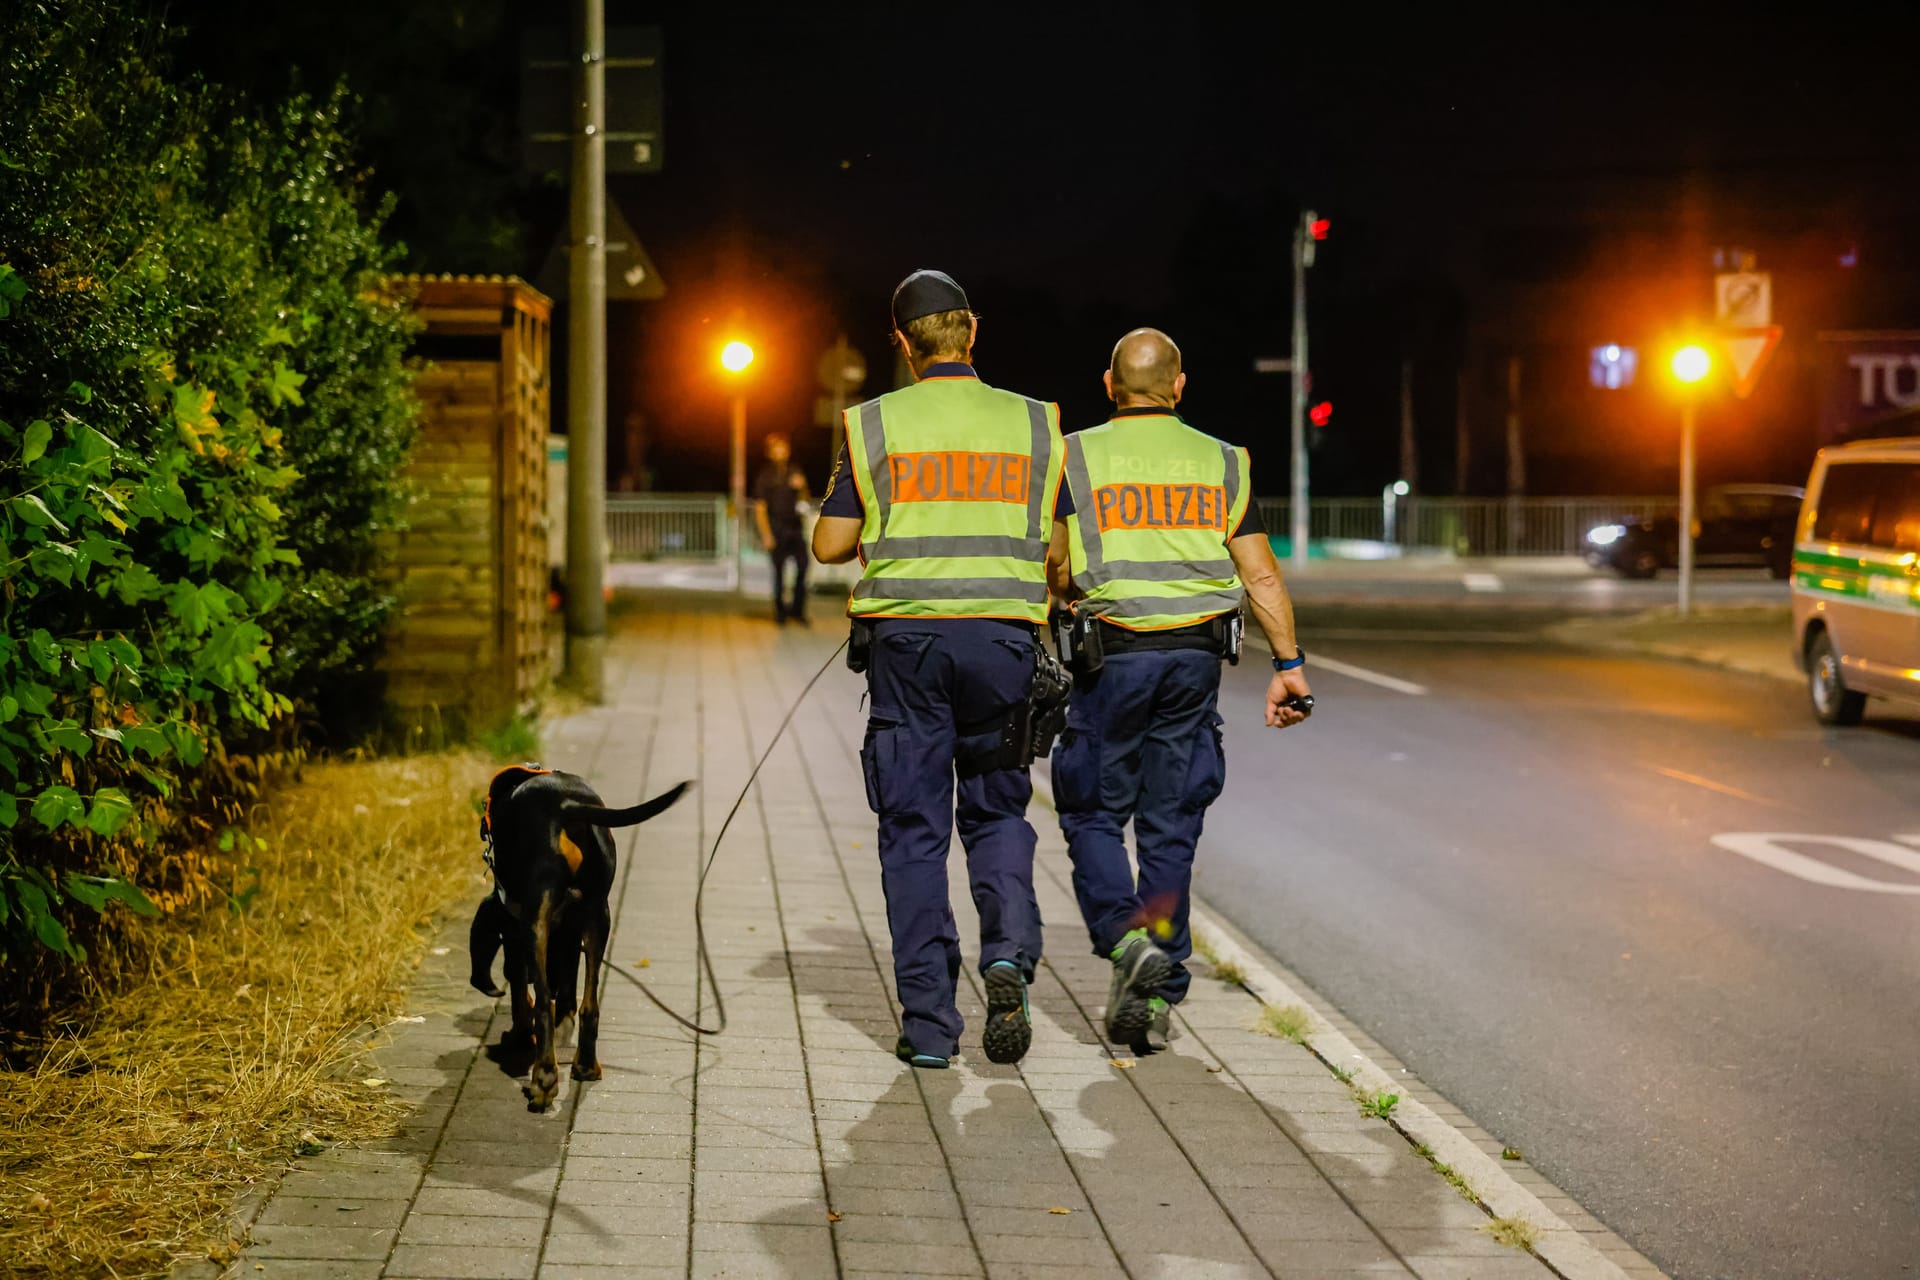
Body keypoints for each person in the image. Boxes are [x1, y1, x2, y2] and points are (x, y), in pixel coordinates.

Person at [813, 269, 1064, 1068]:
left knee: (913, 834)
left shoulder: (871, 427)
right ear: (972, 331)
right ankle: (1007, 957)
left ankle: (928, 1030)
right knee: (997, 815)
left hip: (910, 654)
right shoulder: (1036, 424)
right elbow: (1058, 557)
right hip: (1003, 649)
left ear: (902, 342)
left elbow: (825, 546)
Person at [1045, 327, 1312, 1055]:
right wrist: (1288, 664)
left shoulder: (1075, 454)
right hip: (1194, 662)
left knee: (1093, 811)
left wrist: (1059, 602)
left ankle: (1126, 943)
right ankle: (1159, 995)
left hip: (1111, 660)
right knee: (1169, 826)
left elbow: (1058, 562)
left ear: (1109, 386)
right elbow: (1260, 573)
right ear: (1179, 385)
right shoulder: (1223, 460)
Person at [753, 432, 811, 625]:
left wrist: (802, 487)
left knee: (803, 566)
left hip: (795, 527)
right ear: (770, 453)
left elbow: (805, 499)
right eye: (776, 448)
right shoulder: (765, 475)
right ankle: (780, 612)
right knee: (778, 572)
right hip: (777, 528)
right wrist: (767, 535)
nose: (781, 451)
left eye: (783, 447)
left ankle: (797, 609)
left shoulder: (795, 470)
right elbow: (760, 508)